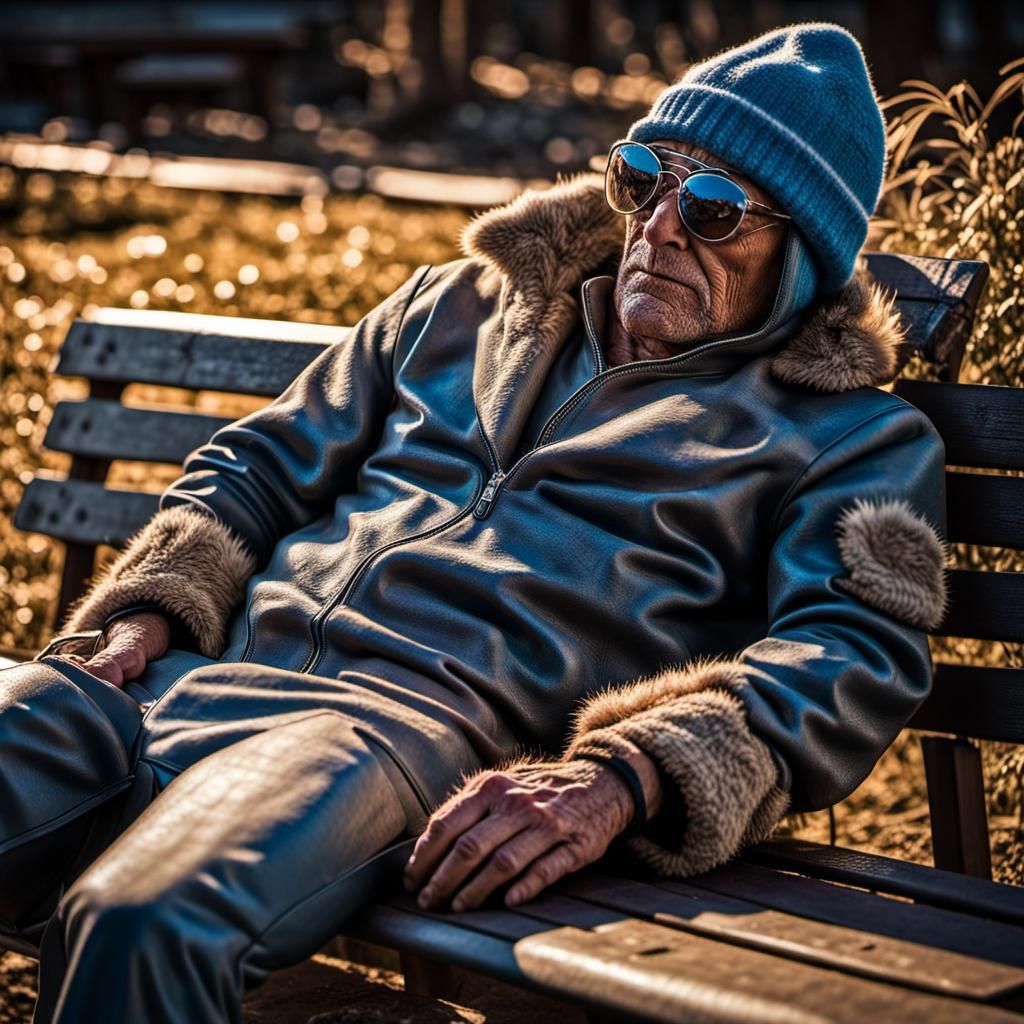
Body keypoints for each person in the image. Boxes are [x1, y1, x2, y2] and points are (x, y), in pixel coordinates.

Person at [1, 22, 948, 1024]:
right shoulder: (459, 305)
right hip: (169, 682)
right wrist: (151, 608)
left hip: (373, 738)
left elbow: (852, 651)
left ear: (798, 258)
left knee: (140, 917)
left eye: (713, 210)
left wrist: (625, 775)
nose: (660, 226)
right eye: (644, 178)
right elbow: (259, 463)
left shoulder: (847, 438)